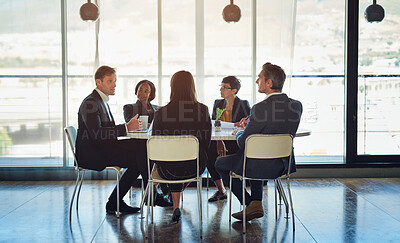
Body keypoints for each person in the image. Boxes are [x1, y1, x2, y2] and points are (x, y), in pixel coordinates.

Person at [215, 62, 302, 221]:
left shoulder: (260, 108)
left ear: (269, 83)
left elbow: (243, 142)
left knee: (220, 163)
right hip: (282, 164)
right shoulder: (296, 106)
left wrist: (239, 132)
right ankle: (255, 204)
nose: (257, 81)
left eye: (259, 78)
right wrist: (251, 123)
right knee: (257, 155)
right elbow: (275, 124)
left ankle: (250, 204)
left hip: (258, 165)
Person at [76, 65, 143, 214]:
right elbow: (97, 134)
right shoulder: (90, 103)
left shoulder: (101, 101)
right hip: (94, 153)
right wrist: (126, 128)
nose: (114, 85)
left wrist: (130, 128)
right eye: (110, 81)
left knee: (141, 147)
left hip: (102, 148)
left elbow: (107, 131)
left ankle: (118, 201)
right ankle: (115, 202)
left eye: (115, 81)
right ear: (98, 82)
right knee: (139, 159)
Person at [152, 70, 212, 222]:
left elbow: (156, 143)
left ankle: (175, 205)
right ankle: (175, 203)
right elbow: (206, 143)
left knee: (173, 161)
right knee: (185, 160)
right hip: (195, 167)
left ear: (172, 87)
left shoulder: (161, 112)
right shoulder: (203, 110)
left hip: (167, 169)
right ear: (192, 87)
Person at [123, 79, 172, 207]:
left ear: (151, 94)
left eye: (146, 91)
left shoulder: (157, 109)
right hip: (137, 145)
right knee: (144, 152)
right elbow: (132, 124)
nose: (142, 93)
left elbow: (163, 125)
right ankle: (155, 192)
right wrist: (153, 124)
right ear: (136, 91)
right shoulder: (129, 108)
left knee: (164, 152)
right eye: (140, 89)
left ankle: (156, 192)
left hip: (155, 144)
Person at [207, 76, 250, 202]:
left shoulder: (243, 104)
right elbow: (214, 124)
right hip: (220, 139)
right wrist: (219, 141)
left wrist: (237, 126)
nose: (221, 89)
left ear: (234, 90)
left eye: (225, 87)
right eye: (221, 86)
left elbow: (246, 124)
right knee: (209, 152)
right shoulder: (218, 103)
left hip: (236, 141)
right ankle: (221, 191)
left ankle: (241, 191)